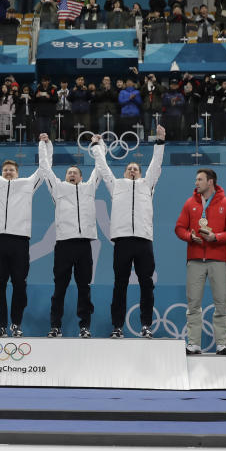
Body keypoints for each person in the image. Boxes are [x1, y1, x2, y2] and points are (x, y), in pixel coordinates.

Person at [0, 129, 48, 337]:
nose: (7, 173)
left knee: (19, 285)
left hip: (20, 241)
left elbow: (43, 170)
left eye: (11, 170)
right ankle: (0, 325)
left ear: (18, 173)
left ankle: (16, 323)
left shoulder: (27, 184)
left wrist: (44, 144)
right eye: (5, 170)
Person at [92, 125, 166, 338]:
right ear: (124, 173)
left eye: (135, 168)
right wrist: (97, 146)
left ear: (141, 174)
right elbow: (104, 169)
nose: (132, 170)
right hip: (122, 242)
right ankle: (117, 326)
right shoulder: (116, 185)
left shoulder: (147, 184)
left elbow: (156, 165)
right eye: (129, 168)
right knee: (120, 286)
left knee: (146, 286)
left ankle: (146, 326)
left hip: (144, 241)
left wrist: (160, 142)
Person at [39, 133, 104, 338]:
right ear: (65, 176)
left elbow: (100, 169)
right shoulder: (57, 188)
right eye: (69, 172)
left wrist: (98, 144)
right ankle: (55, 326)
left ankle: (84, 326)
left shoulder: (89, 188)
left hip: (84, 246)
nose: (72, 175)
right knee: (60, 289)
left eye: (75, 172)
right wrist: (44, 144)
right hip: (64, 246)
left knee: (84, 289)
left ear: (81, 177)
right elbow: (45, 169)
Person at [174, 168, 226, 354]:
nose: (196, 183)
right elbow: (179, 228)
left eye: (200, 179)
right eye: (196, 179)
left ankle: (222, 344)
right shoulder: (189, 203)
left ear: (210, 182)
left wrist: (216, 237)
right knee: (193, 303)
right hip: (195, 259)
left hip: (217, 259)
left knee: (221, 302)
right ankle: (193, 343)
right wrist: (189, 236)